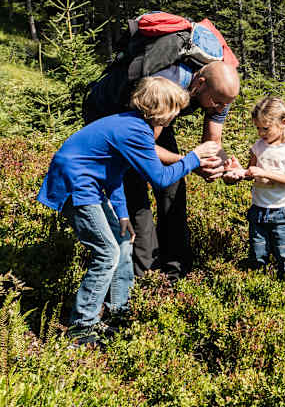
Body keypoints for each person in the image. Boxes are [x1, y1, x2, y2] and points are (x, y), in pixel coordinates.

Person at [37, 77, 221, 346]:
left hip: (89, 184)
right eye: (176, 110)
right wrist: (195, 157)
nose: (178, 114)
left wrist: (123, 216)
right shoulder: (134, 131)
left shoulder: (133, 126)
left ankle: (119, 313)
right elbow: (159, 178)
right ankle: (82, 327)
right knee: (107, 252)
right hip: (75, 187)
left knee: (123, 242)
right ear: (165, 111)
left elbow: (115, 174)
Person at [84, 59, 240, 280]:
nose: (220, 108)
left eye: (227, 104)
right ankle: (141, 274)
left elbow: (214, 142)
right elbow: (145, 147)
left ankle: (174, 272)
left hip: (159, 119)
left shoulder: (220, 93)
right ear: (201, 83)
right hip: (116, 119)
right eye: (216, 102)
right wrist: (190, 161)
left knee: (174, 188)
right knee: (136, 195)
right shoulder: (168, 82)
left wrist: (226, 167)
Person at [224, 97, 285, 278]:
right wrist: (238, 171)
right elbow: (252, 172)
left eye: (265, 128)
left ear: (283, 123)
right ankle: (260, 286)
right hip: (258, 209)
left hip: (282, 211)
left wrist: (265, 173)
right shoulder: (258, 147)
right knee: (257, 253)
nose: (261, 133)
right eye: (258, 128)